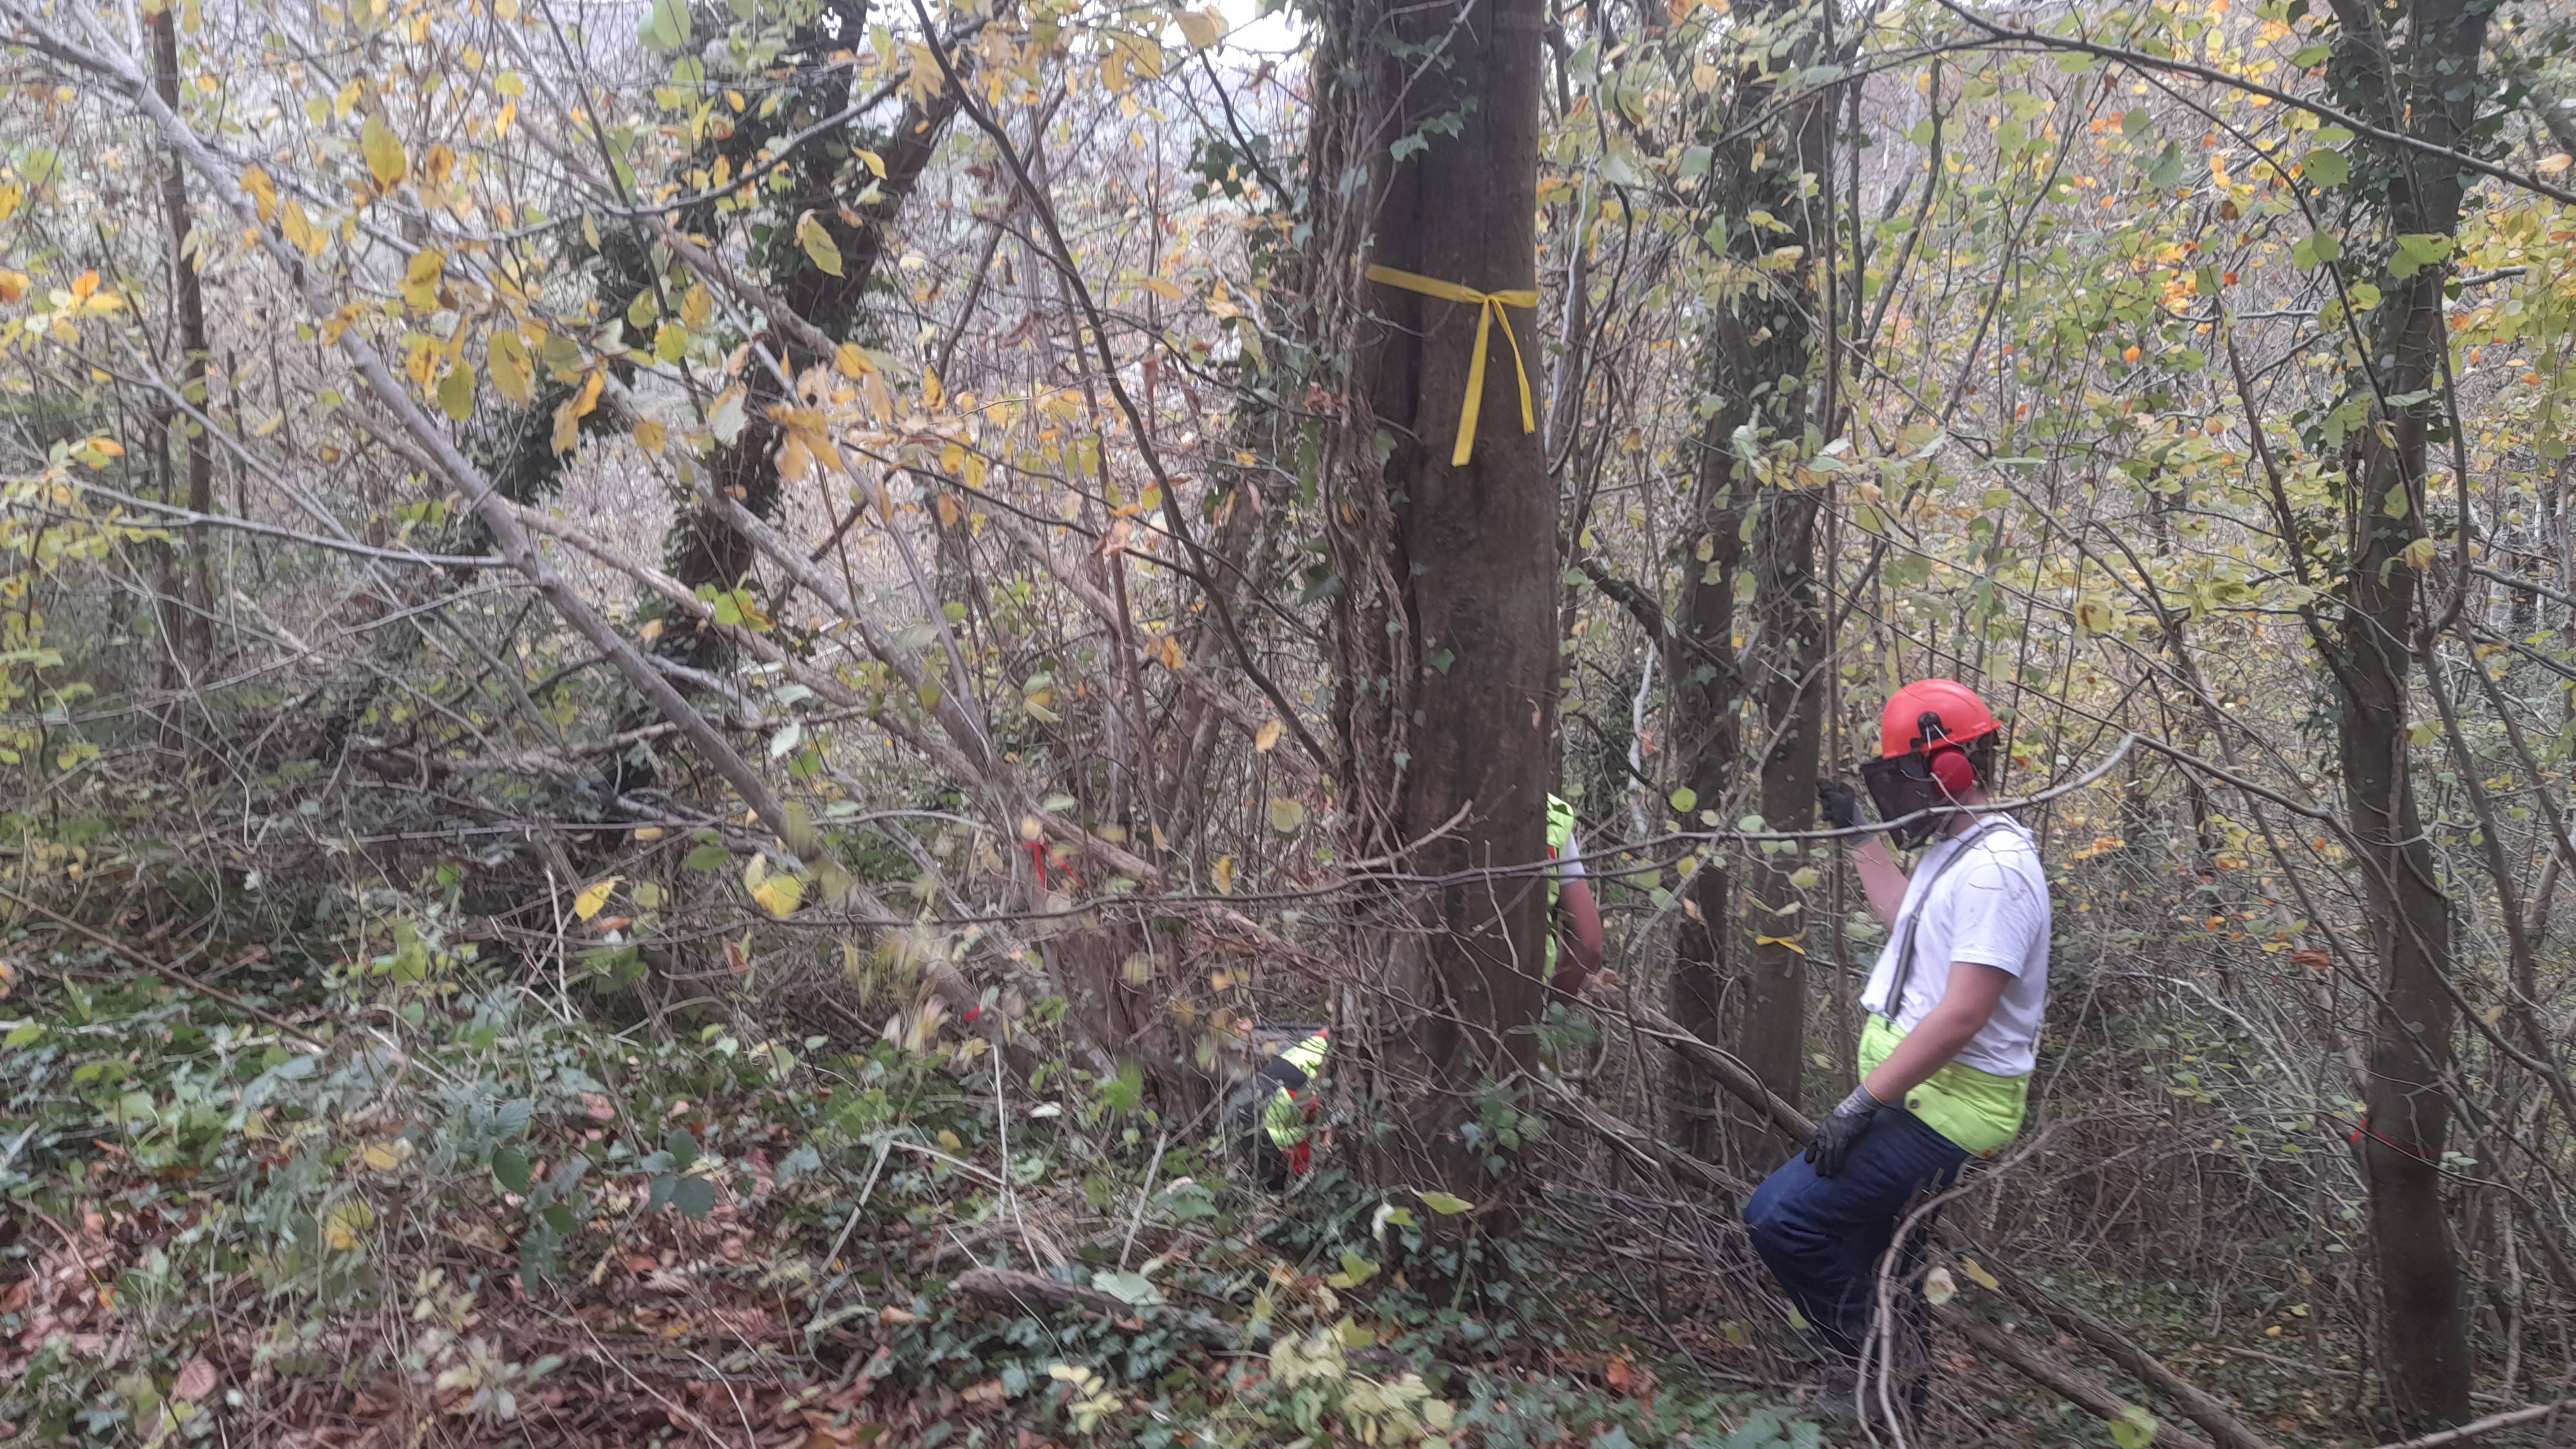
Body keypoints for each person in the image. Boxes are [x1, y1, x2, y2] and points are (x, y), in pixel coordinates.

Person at [1743, 679, 2051, 1421]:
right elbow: (1904, 923)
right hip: (1919, 1093)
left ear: (1945, 767)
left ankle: (1877, 1362)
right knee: (1888, 1258)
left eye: (1899, 778)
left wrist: (1860, 1104)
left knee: (1779, 1217)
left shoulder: (1997, 870)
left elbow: (1962, 1016)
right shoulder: (1958, 850)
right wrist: (1859, 836)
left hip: (1948, 1106)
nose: (1894, 793)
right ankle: (1898, 1405)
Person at [1242, 794, 1604, 1186]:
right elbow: (1588, 944)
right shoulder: (1551, 813)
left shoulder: (1408, 791)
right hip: (1505, 1040)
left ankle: (1297, 1207)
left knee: (1257, 1107)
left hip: (1399, 1027)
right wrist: (1535, 1021)